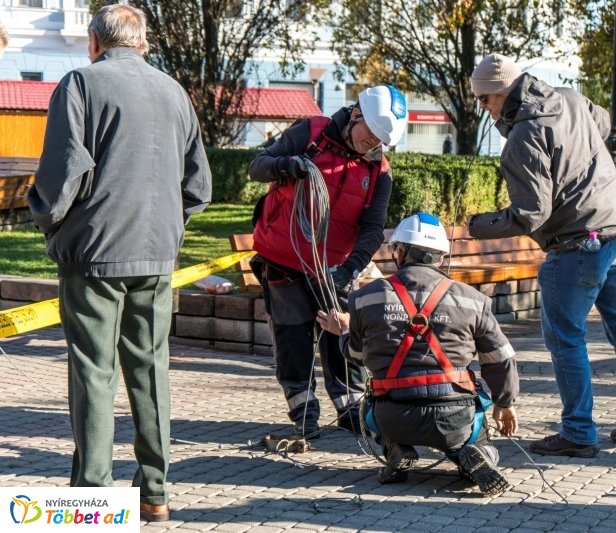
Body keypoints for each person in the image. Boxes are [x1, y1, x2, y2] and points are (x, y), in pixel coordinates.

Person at [27, 5, 211, 523]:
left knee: (93, 373)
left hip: (94, 253)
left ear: (94, 41)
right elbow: (198, 186)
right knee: (150, 370)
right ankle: (154, 490)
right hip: (156, 255)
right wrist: (169, 227)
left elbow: (62, 176)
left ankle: (93, 498)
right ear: (144, 43)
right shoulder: (175, 92)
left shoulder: (80, 85)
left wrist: (50, 223)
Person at [467, 53, 616, 458]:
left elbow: (530, 213)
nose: (483, 108)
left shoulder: (524, 137)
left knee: (566, 338)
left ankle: (578, 431)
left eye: (485, 100)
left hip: (577, 243)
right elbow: (604, 121)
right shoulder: (569, 98)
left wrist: (478, 225)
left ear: (502, 93)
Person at [316, 212, 519, 495]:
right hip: (455, 418)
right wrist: (504, 402)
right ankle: (474, 455)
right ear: (440, 257)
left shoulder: (364, 298)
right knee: (476, 435)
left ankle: (395, 448)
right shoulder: (472, 299)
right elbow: (500, 358)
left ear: (400, 253)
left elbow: (357, 356)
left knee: (367, 410)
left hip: (391, 416)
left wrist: (346, 332)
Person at [249, 84, 408, 439]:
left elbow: (372, 229)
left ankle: (350, 405)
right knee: (293, 336)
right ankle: (303, 408)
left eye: (382, 140)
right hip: (282, 257)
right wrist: (286, 166)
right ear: (356, 114)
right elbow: (257, 167)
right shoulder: (311, 133)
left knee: (340, 333)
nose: (374, 144)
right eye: (371, 134)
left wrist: (350, 270)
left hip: (333, 267)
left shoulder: (379, 172)